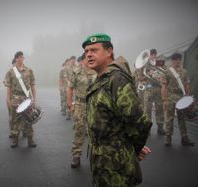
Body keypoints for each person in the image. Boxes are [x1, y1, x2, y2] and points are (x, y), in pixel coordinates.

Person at [83, 33, 152, 186]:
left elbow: (139, 122)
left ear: (109, 51)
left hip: (116, 168)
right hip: (103, 163)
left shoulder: (117, 80)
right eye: (86, 51)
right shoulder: (103, 79)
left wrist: (133, 148)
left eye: (94, 50)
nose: (88, 54)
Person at [67, 53, 96, 168]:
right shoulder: (76, 71)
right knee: (79, 129)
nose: (89, 60)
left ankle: (96, 156)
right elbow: (70, 88)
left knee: (96, 130)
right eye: (87, 58)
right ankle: (76, 155)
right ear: (83, 60)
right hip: (80, 104)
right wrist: (70, 103)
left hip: (95, 104)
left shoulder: (97, 71)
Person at [161, 52, 195, 146]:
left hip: (181, 97)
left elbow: (187, 85)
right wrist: (164, 100)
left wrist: (188, 97)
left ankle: (184, 137)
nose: (178, 61)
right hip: (171, 97)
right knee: (169, 118)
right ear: (172, 61)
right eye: (176, 60)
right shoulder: (167, 72)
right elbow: (164, 87)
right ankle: (168, 138)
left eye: (179, 59)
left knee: (182, 118)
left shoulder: (184, 71)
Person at [5, 51, 37, 148]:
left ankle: (30, 139)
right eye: (18, 57)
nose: (20, 59)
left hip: (26, 98)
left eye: (21, 57)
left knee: (29, 119)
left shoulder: (29, 70)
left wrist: (34, 98)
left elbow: (33, 85)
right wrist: (8, 99)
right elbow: (9, 87)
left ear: (23, 59)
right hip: (15, 98)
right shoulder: (10, 72)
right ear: (15, 59)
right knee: (15, 119)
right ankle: (15, 140)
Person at [142, 49, 166, 135]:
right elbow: (141, 75)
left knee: (159, 108)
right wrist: (149, 72)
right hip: (149, 88)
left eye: (154, 54)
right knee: (147, 108)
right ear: (150, 55)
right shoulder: (145, 64)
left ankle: (160, 127)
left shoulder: (159, 64)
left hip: (158, 88)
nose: (153, 56)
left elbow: (164, 73)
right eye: (152, 54)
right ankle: (147, 128)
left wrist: (159, 76)